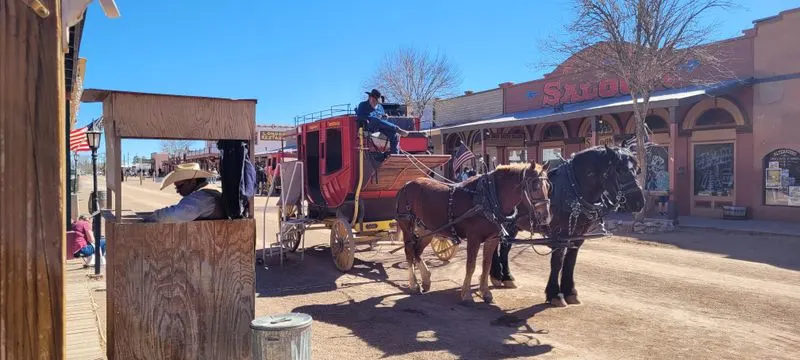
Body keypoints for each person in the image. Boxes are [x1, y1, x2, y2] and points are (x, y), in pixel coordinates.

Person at [142, 162, 225, 223]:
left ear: (192, 181)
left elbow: (172, 215)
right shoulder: (210, 191)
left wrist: (150, 218)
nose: (177, 190)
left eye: (180, 186)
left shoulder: (201, 198)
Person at [355, 89, 409, 155]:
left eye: (377, 101)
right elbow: (360, 117)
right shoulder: (362, 105)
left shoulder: (380, 107)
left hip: (380, 127)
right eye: (374, 100)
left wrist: (385, 117)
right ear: (369, 98)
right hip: (368, 126)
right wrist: (373, 118)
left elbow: (383, 120)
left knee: (395, 135)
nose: (375, 103)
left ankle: (395, 155)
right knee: (375, 119)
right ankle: (396, 128)